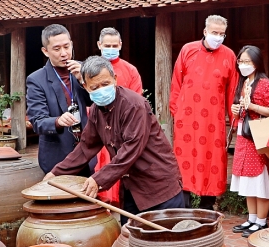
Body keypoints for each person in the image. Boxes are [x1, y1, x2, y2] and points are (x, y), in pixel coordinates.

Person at [44, 56, 184, 225]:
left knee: (166, 237)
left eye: (105, 84)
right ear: (85, 87)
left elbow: (130, 149)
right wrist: (56, 173)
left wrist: (98, 180)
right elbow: (86, 147)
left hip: (159, 185)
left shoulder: (134, 105)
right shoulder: (96, 110)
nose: (101, 90)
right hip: (132, 187)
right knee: (129, 237)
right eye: (95, 87)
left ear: (115, 79)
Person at [169, 14, 238, 210]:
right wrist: (176, 112)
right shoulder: (188, 50)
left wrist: (234, 121)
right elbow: (176, 84)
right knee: (184, 162)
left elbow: (233, 91)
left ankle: (208, 207)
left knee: (212, 162)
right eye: (214, 32)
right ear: (205, 31)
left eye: (222, 34)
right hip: (187, 119)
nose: (218, 37)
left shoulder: (229, 55)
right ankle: (184, 206)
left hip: (213, 121)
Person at [27, 24, 94, 174]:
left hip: (87, 152)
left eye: (66, 47)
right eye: (57, 49)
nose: (64, 53)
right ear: (45, 51)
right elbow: (37, 121)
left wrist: (84, 80)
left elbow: (98, 101)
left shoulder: (85, 69)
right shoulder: (36, 80)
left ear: (72, 44)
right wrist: (57, 121)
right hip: (58, 155)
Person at [229, 46, 269, 237]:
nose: (243, 65)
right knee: (247, 180)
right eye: (240, 61)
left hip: (257, 135)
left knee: (259, 178)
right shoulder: (242, 83)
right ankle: (252, 218)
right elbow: (242, 111)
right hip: (243, 135)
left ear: (257, 63)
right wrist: (236, 111)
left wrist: (252, 106)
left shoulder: (266, 84)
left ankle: (261, 221)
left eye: (247, 61)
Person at [95, 27, 143, 206]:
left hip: (124, 127)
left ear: (120, 45)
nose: (111, 49)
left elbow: (137, 100)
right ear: (99, 45)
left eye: (114, 45)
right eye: (107, 45)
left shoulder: (130, 70)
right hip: (100, 125)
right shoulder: (91, 69)